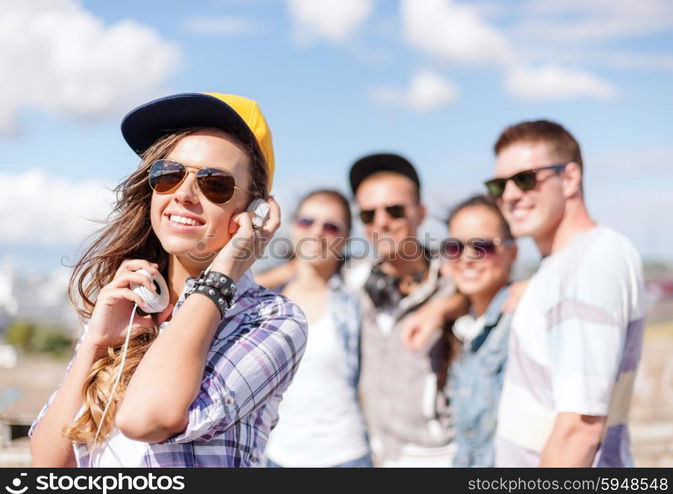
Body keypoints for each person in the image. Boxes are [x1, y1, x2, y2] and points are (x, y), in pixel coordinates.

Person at [29, 92, 308, 467]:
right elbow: (49, 465)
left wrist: (224, 272)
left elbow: (145, 418)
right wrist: (96, 342)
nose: (184, 195)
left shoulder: (273, 320)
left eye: (215, 184)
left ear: (256, 211)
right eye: (168, 175)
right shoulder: (128, 303)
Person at [488, 120, 645, 467]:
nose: (510, 195)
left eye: (526, 179)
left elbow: (580, 429)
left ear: (570, 178)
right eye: (499, 185)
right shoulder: (564, 268)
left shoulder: (589, 265)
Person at [345, 153, 466, 467]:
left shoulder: (454, 280)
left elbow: (500, 294)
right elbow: (302, 271)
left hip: (437, 456)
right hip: (375, 454)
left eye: (394, 210)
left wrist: (445, 306)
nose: (381, 222)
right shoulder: (353, 282)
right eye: (368, 215)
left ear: (421, 213)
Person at [261, 190, 372, 467]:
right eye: (307, 221)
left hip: (347, 455)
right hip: (276, 456)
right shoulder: (265, 300)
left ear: (345, 238)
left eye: (331, 226)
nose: (318, 232)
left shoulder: (357, 293)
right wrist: (288, 272)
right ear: (294, 226)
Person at [441, 195, 517, 467]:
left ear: (512, 252)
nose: (467, 258)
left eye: (482, 246)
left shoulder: (522, 321)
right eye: (454, 247)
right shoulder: (462, 328)